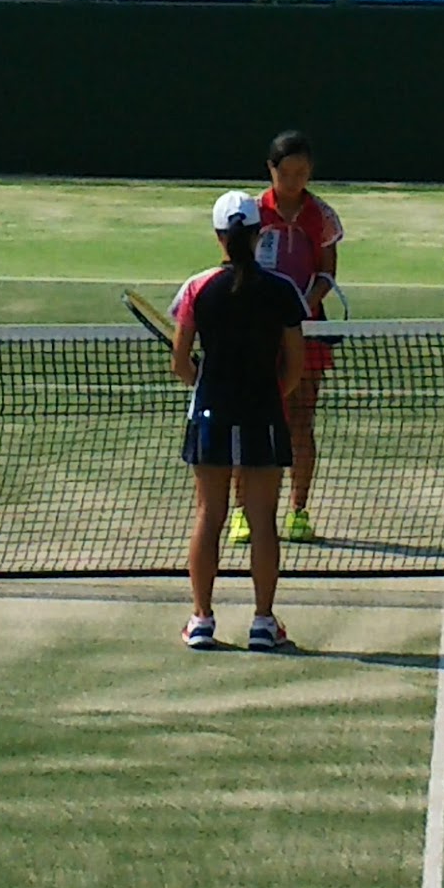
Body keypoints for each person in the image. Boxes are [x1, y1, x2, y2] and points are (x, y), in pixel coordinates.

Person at [172, 191, 306, 652]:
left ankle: (202, 620)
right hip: (262, 414)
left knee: (210, 515)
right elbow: (294, 364)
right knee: (263, 519)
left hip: (211, 413)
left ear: (218, 237)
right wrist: (269, 396)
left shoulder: (196, 288)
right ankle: (263, 623)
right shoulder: (281, 290)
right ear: (258, 232)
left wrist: (206, 389)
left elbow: (180, 363)